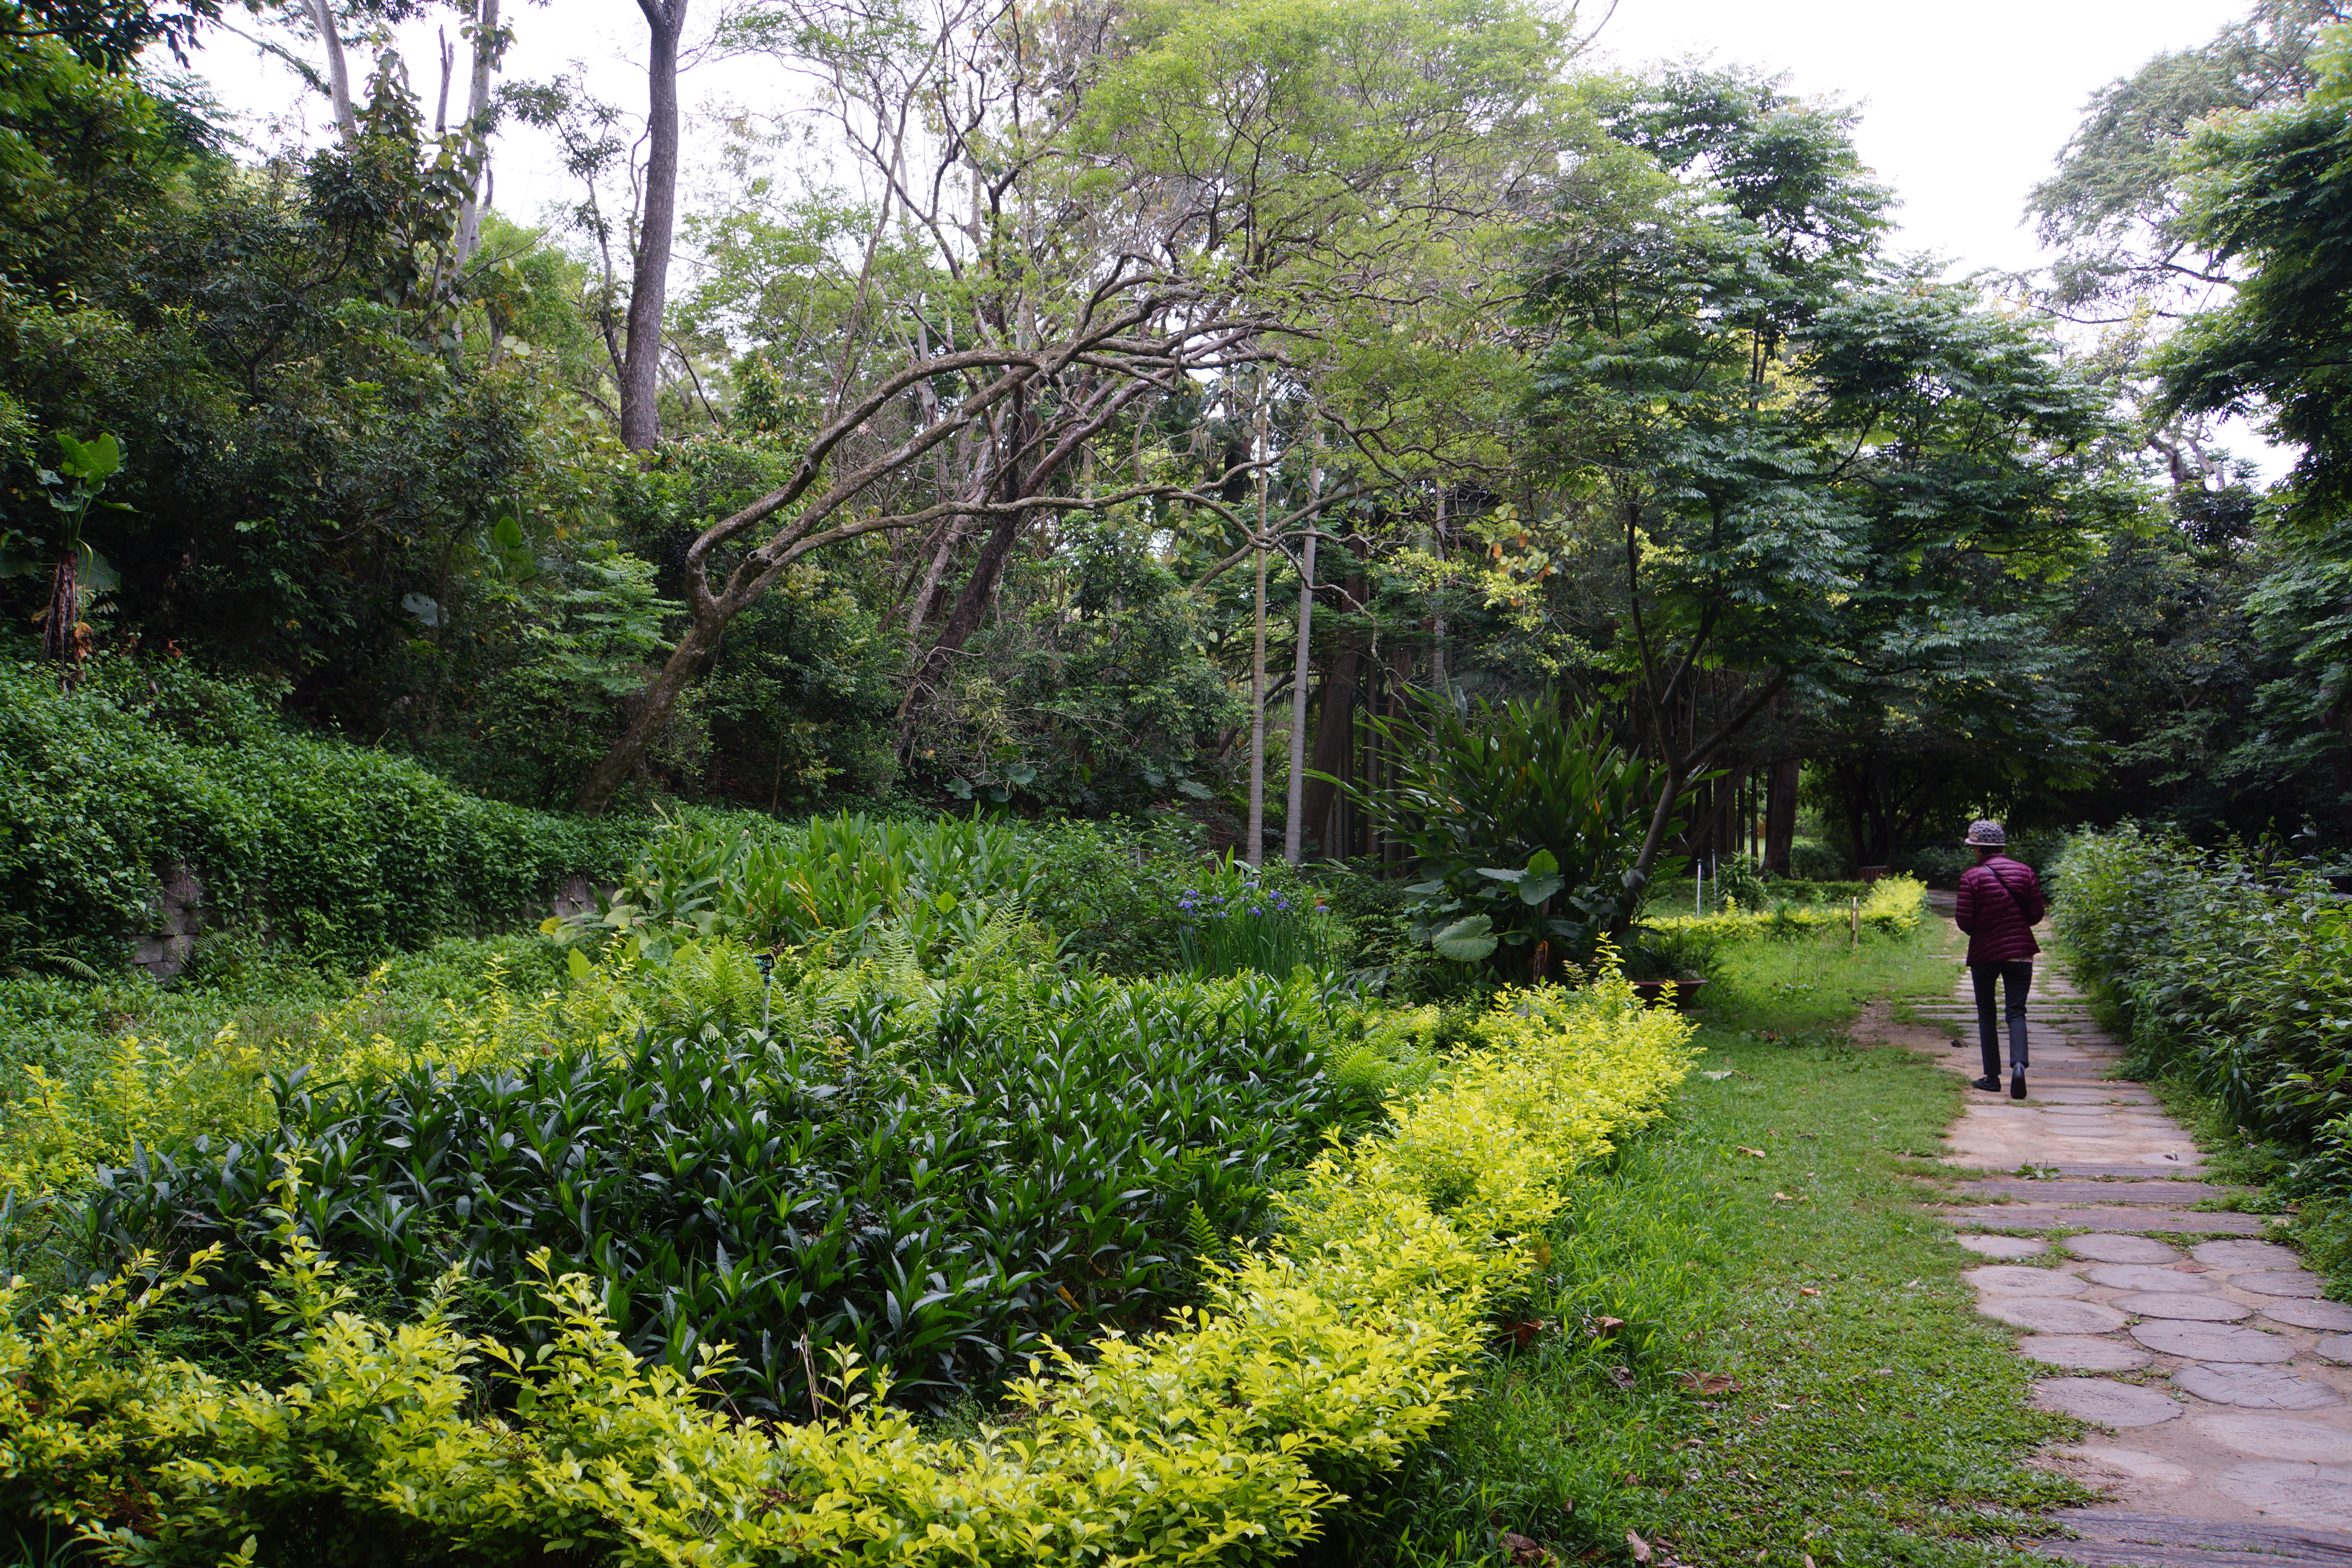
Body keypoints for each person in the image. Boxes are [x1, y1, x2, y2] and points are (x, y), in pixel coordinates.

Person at [1952, 819, 2047, 1100]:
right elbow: (2036, 915)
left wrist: (1984, 932)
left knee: (1987, 1014)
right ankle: (2019, 1066)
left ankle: (1992, 1078)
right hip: (2020, 954)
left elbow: (1964, 921)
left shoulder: (1971, 878)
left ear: (1978, 849)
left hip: (1984, 955)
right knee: (2016, 1012)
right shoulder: (2026, 872)